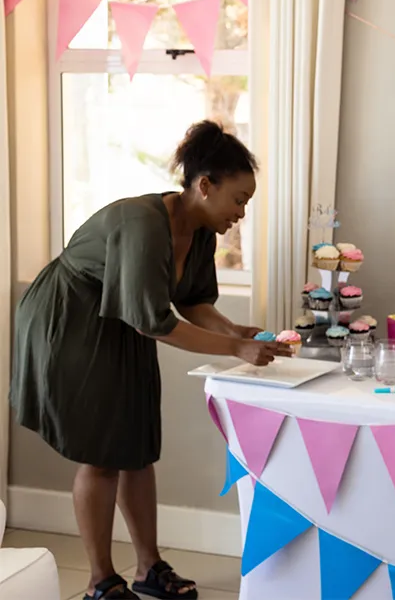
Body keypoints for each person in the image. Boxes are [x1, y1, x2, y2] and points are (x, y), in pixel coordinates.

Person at [11, 121, 292, 600]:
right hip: (73, 320)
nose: (241, 213)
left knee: (137, 446)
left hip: (123, 319)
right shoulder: (142, 223)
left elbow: (193, 301)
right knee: (102, 453)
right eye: (239, 199)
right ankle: (101, 580)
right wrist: (234, 350)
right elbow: (153, 322)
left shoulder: (203, 231)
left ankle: (149, 568)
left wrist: (234, 330)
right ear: (205, 186)